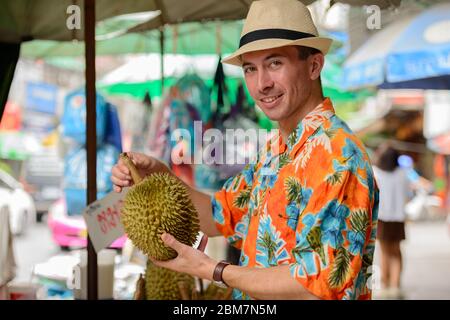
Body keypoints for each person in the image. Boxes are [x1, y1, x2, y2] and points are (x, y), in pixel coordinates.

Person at [111, 0, 378, 300]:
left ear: (314, 65)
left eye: (275, 63)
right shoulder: (275, 151)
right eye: (251, 68)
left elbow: (315, 286)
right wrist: (158, 175)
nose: (262, 83)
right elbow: (218, 216)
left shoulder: (339, 157)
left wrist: (215, 270)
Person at [372, 143, 410, 299]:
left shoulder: (376, 172)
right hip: (398, 217)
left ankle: (385, 282)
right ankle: (395, 283)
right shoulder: (403, 174)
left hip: (381, 217)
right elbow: (407, 194)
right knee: (396, 251)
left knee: (384, 250)